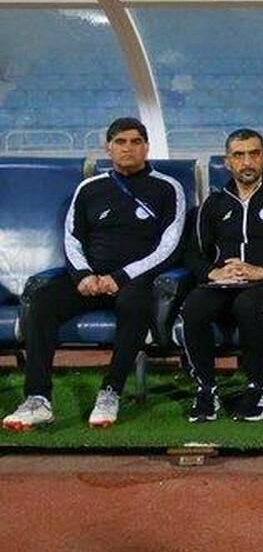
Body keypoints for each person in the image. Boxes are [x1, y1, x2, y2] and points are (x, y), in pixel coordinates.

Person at [3, 117, 186, 431]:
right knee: (43, 301)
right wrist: (83, 276)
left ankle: (110, 391)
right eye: (120, 142)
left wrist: (121, 277)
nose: (128, 148)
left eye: (135, 142)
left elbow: (170, 246)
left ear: (146, 147)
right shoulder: (89, 188)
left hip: (135, 280)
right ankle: (37, 399)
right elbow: (72, 239)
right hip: (90, 279)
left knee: (134, 304)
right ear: (108, 148)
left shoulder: (168, 188)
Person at [178, 129, 263, 423]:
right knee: (193, 307)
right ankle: (205, 389)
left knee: (249, 306)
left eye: (254, 154)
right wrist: (213, 272)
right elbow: (192, 253)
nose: (247, 162)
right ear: (227, 162)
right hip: (221, 283)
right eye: (239, 155)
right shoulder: (212, 204)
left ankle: (257, 388)